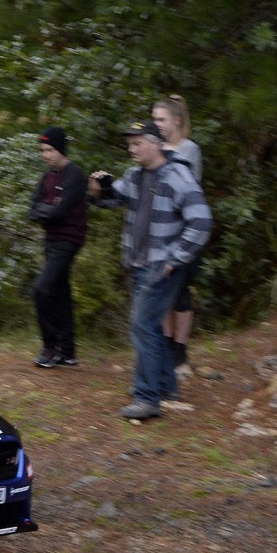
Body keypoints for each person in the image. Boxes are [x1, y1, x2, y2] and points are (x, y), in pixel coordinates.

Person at [88, 120, 212, 420]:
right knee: (151, 326)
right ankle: (166, 387)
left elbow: (201, 221)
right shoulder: (135, 175)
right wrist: (97, 189)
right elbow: (113, 199)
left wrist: (175, 258)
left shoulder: (177, 175)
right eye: (129, 144)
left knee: (142, 325)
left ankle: (147, 398)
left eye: (137, 143)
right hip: (139, 264)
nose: (132, 149)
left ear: (155, 143)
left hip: (162, 267)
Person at [151, 95, 203, 380]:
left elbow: (189, 191)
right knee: (163, 293)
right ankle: (167, 348)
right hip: (158, 232)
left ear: (177, 120)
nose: (157, 124)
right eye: (155, 120)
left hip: (182, 232)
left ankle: (180, 353)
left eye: (161, 119)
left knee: (180, 293)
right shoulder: (154, 146)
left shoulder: (189, 149)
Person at [29, 126, 88, 368]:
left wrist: (48, 210)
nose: (46, 154)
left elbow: (59, 212)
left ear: (61, 149)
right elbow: (32, 211)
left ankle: (50, 347)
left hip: (68, 239)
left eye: (50, 149)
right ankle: (68, 351)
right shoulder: (47, 177)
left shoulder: (74, 175)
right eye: (43, 150)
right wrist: (47, 210)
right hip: (50, 240)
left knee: (41, 290)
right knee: (60, 293)